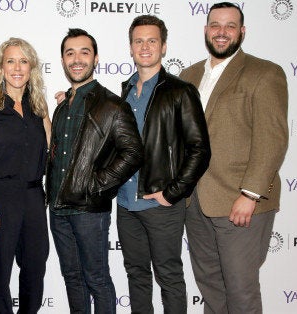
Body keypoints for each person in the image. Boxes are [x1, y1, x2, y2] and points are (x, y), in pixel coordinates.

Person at [179, 2, 289, 313]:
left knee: (241, 292)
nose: (222, 32)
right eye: (215, 25)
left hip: (240, 201)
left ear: (242, 32)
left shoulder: (264, 73)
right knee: (211, 288)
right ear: (205, 30)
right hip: (195, 202)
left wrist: (250, 194)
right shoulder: (188, 76)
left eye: (230, 26)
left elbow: (273, 138)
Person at [117, 15, 211, 314]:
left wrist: (172, 192)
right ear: (131, 48)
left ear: (164, 46)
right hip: (125, 203)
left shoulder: (180, 91)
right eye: (138, 41)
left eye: (152, 41)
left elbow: (200, 149)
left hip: (161, 205)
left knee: (169, 276)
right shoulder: (125, 91)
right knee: (136, 275)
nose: (145, 47)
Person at [47, 28, 143, 314]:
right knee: (72, 279)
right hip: (58, 208)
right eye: (70, 53)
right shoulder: (62, 107)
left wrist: (96, 184)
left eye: (84, 52)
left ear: (96, 58)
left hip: (90, 210)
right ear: (63, 60)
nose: (77, 59)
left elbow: (134, 152)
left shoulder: (112, 104)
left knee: (97, 281)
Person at [0, 37, 51, 314]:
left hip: (33, 196)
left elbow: (53, 150)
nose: (17, 67)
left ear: (32, 68)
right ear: (1, 68)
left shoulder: (39, 107)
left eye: (23, 61)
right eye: (11, 61)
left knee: (35, 268)